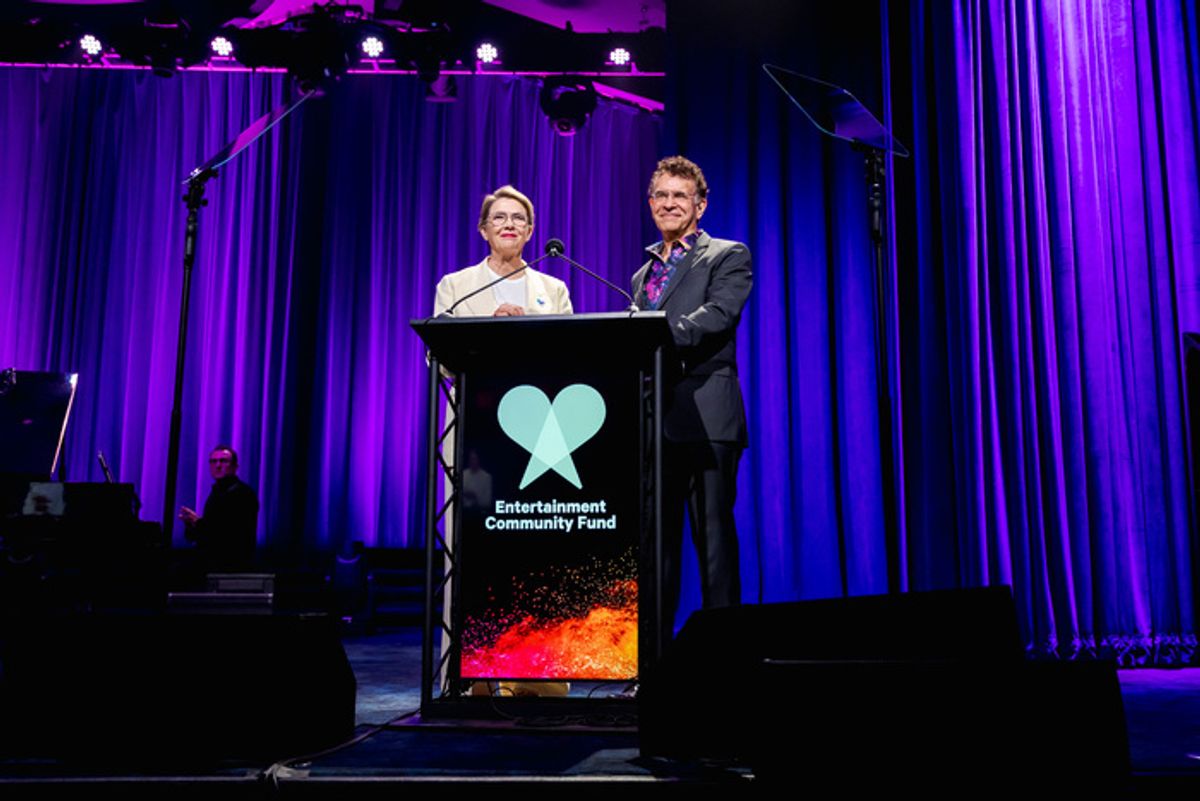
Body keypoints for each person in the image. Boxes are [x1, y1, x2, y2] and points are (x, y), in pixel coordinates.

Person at [632, 155, 753, 643]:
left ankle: (724, 660)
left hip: (708, 417)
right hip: (655, 421)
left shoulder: (727, 254)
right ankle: (654, 663)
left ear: (700, 205)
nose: (668, 204)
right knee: (655, 548)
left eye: (679, 196)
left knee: (714, 543)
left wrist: (654, 334)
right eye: (660, 196)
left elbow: (719, 315)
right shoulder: (643, 275)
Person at [434, 185, 572, 317]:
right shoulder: (453, 287)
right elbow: (442, 340)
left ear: (529, 232)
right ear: (484, 231)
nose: (509, 225)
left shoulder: (555, 291)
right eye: (499, 217)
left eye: (518, 218)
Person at [179, 444, 259, 573]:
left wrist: (198, 523)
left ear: (235, 467)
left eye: (223, 461)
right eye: (213, 461)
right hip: (211, 560)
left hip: (230, 563)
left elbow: (229, 534)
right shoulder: (216, 492)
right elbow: (210, 530)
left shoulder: (243, 494)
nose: (218, 465)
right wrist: (191, 525)